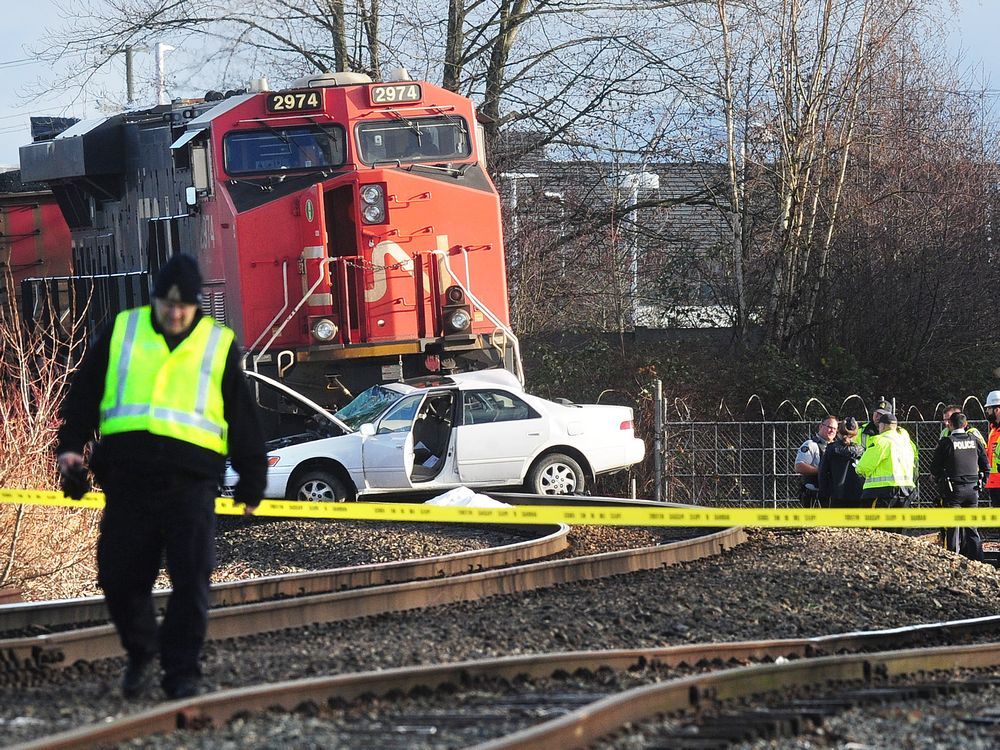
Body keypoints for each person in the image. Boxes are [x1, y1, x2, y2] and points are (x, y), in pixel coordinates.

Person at [56, 254, 267, 700]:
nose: (174, 314)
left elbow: (242, 415)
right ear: (155, 299)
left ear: (196, 307)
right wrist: (70, 449)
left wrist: (252, 478)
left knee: (192, 580)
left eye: (183, 307)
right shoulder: (123, 331)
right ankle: (141, 650)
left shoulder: (217, 343)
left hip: (191, 482)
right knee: (117, 577)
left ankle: (181, 673)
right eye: (166, 304)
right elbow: (84, 393)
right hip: (127, 479)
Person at [930, 411, 988, 561]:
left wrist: (940, 480)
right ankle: (978, 561)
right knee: (972, 527)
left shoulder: (946, 442)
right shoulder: (974, 440)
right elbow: (985, 465)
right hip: (973, 489)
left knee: (953, 528)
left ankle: (953, 560)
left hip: (953, 489)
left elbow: (934, 468)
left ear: (950, 424)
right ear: (965, 424)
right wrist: (982, 482)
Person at [854, 411, 917, 507]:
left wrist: (858, 469)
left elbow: (864, 466)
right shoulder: (906, 444)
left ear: (882, 426)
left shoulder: (881, 441)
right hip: (907, 491)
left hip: (881, 492)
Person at [817, 417, 865, 507]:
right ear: (856, 433)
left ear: (839, 430)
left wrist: (824, 495)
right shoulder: (861, 450)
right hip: (858, 495)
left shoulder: (831, 449)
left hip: (836, 495)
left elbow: (822, 473)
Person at [794, 415, 838, 507]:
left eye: (835, 428)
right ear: (821, 426)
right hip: (814, 496)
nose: (832, 430)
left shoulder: (837, 447)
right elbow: (799, 466)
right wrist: (822, 471)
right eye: (830, 427)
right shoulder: (811, 445)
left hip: (831, 495)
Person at [983, 391, 1000, 508]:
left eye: (989, 409)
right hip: (994, 483)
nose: (987, 412)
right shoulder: (994, 429)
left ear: (997, 410)